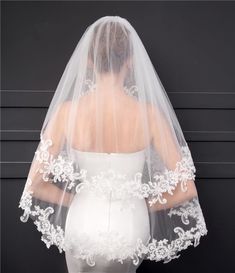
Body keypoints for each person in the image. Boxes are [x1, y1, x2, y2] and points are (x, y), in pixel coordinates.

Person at [18, 16, 208, 273]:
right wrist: (143, 203)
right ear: (130, 61)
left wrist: (77, 200)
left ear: (88, 61)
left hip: (83, 223)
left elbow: (35, 184)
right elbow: (187, 189)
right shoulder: (149, 115)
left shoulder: (66, 113)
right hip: (129, 227)